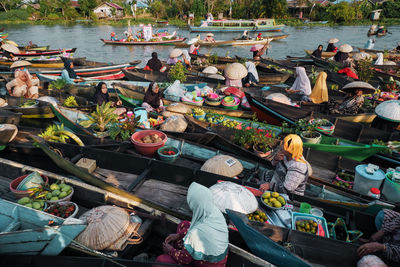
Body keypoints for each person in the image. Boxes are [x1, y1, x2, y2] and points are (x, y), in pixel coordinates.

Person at [156, 182, 229, 266]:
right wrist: (178, 235)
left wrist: (170, 250)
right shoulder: (215, 213)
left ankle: (181, 250)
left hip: (204, 263)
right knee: (185, 224)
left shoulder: (195, 234)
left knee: (161, 259)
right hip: (217, 253)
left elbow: (185, 260)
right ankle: (183, 248)